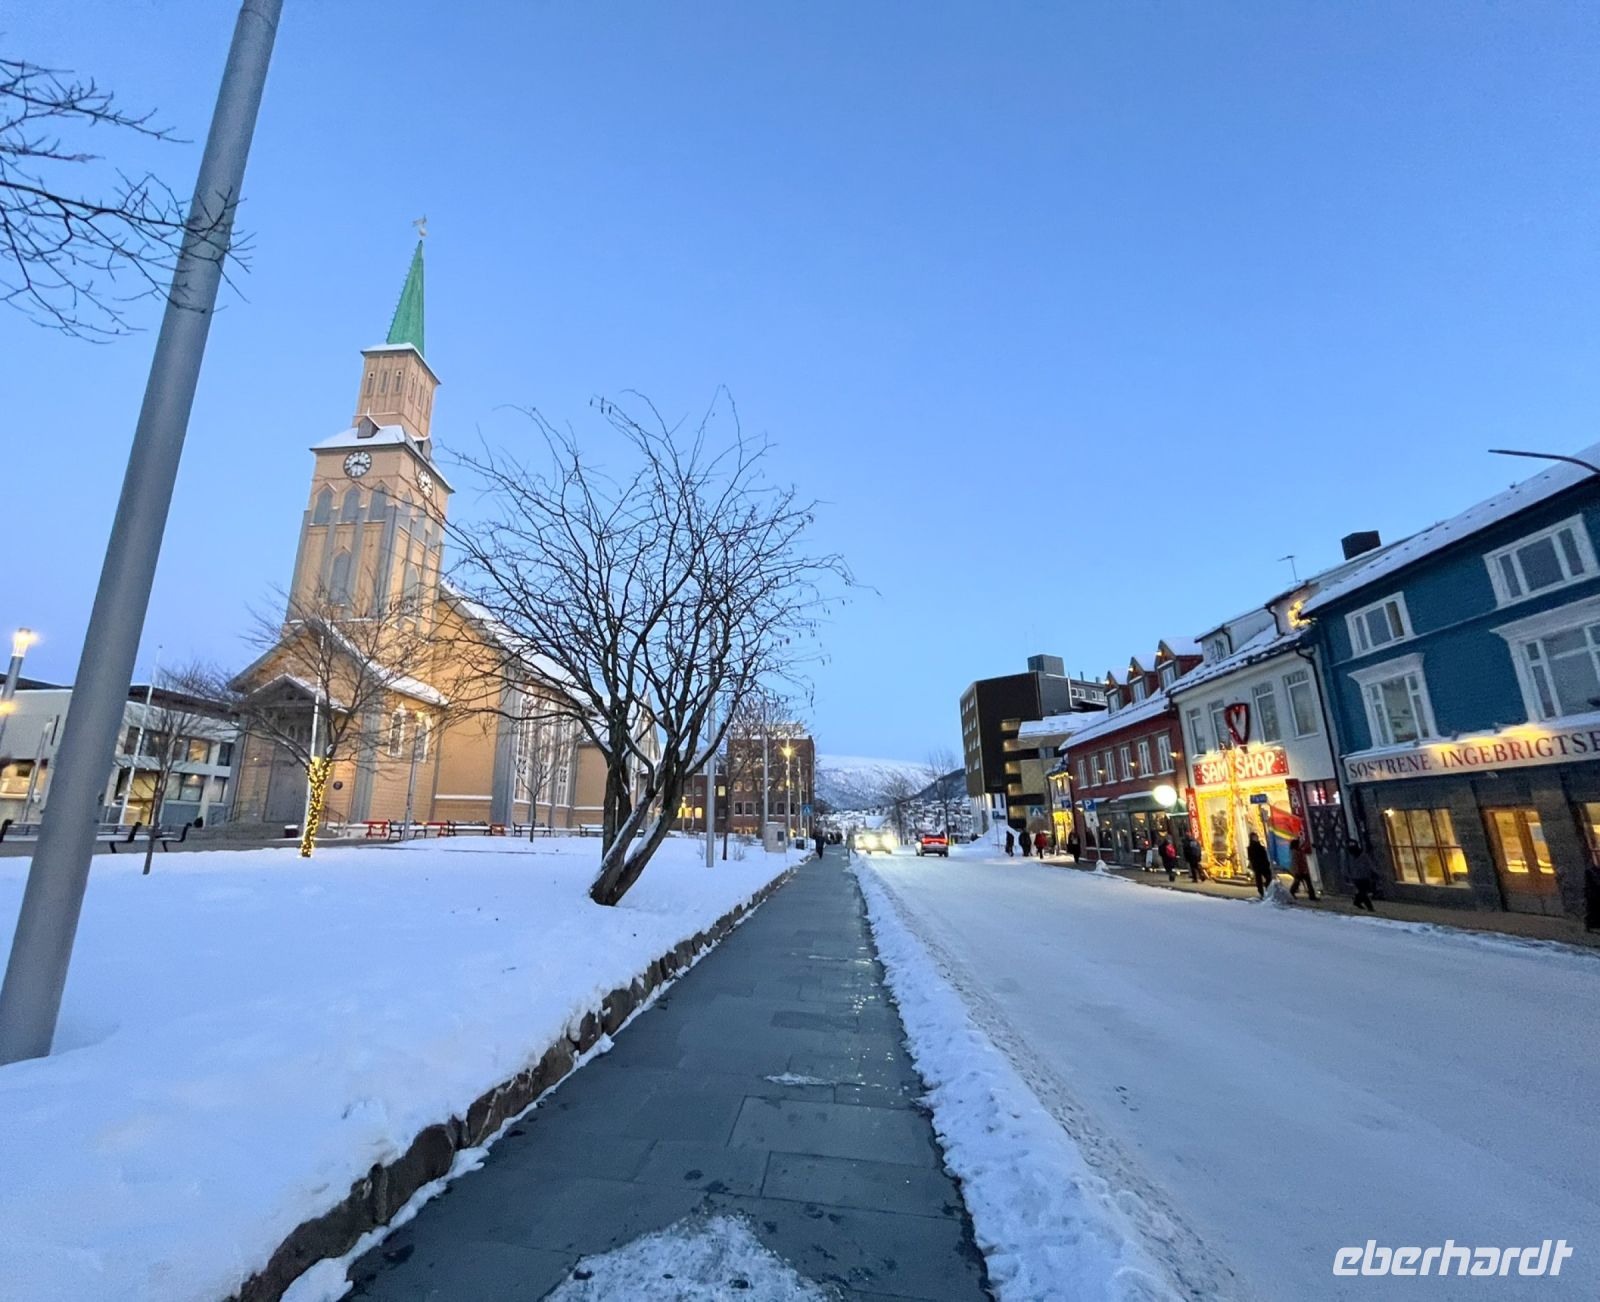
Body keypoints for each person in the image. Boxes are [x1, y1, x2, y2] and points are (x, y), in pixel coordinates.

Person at [1348, 839, 1378, 912]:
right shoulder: (1363, 856)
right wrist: (1374, 872)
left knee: (1363, 891)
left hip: (1359, 876)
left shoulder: (1355, 857)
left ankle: (1357, 901)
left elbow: (1369, 864)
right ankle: (1369, 907)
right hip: (1362, 876)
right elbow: (1370, 864)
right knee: (1364, 892)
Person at [1247, 832, 1273, 898]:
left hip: (1264, 865)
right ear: (1251, 838)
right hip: (1257, 866)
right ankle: (1261, 892)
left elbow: (1264, 856)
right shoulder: (1250, 848)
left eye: (1256, 836)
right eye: (1254, 837)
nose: (1256, 838)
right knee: (1259, 880)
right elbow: (1251, 857)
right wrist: (1254, 864)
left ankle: (1266, 888)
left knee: (1269, 878)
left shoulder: (1260, 846)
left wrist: (1267, 862)